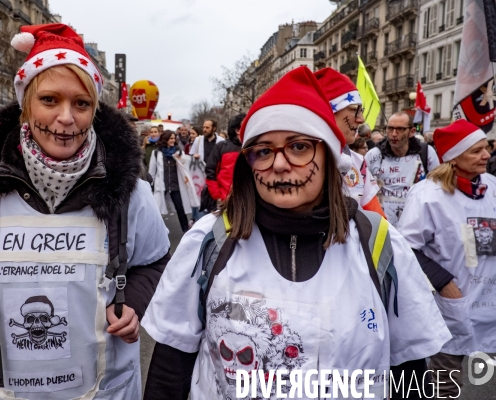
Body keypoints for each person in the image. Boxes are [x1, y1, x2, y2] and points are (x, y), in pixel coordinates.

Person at [142, 66, 450, 400]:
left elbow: (410, 371)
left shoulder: (379, 244)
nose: (278, 164)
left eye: (299, 147)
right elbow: (170, 367)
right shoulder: (208, 242)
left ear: (329, 155)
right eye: (262, 151)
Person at [0, 23, 170, 399]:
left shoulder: (132, 194)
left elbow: (154, 260)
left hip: (105, 390)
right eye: (49, 100)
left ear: (94, 109)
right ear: (25, 104)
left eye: (81, 103)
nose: (66, 118)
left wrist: (134, 304)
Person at [398, 119, 495, 398]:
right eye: (476, 151)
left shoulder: (492, 187)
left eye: (486, 148)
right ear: (453, 158)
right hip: (453, 303)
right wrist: (443, 282)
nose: (486, 155)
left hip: (488, 299)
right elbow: (406, 249)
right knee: (445, 380)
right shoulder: (428, 195)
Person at [315, 68, 384, 217]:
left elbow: (378, 222)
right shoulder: (295, 163)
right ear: (327, 112)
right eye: (354, 110)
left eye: (361, 110)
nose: (361, 119)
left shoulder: (358, 162)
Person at [365, 111, 440, 226]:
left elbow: (438, 189)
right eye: (390, 129)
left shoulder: (427, 153)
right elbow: (362, 191)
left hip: (417, 225)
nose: (394, 134)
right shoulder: (373, 156)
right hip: (383, 226)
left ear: (411, 132)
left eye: (400, 129)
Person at [149, 130, 199, 233]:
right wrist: (151, 185)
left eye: (174, 138)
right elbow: (151, 171)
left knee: (180, 209)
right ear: (165, 139)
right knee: (157, 210)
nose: (173, 140)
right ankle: (157, 232)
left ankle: (186, 230)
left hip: (175, 186)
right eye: (171, 138)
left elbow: (186, 162)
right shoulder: (156, 153)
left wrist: (194, 158)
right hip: (161, 186)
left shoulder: (178, 152)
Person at [204, 113, 245, 204]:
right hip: (226, 200)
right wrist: (218, 197)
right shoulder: (221, 147)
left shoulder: (253, 146)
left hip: (248, 200)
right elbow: (210, 171)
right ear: (238, 130)